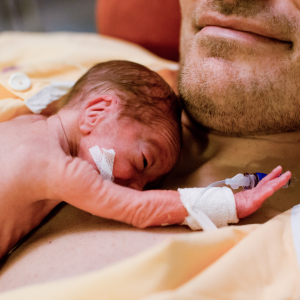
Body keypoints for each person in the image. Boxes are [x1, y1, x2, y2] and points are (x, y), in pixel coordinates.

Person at [0, 60, 290, 259]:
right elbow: (139, 209)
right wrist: (232, 203)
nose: (136, 188)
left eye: (147, 183)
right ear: (97, 112)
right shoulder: (56, 167)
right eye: (142, 162)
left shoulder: (24, 123)